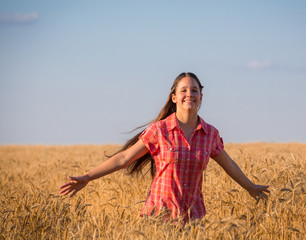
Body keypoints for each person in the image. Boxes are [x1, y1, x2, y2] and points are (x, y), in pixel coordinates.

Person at [59, 72, 270, 223]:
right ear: (174, 97)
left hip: (193, 220)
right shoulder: (159, 131)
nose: (190, 94)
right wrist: (87, 177)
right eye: (184, 90)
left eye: (194, 90)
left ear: (201, 97)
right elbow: (124, 159)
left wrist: (250, 186)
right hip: (158, 218)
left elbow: (229, 164)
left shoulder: (210, 134)